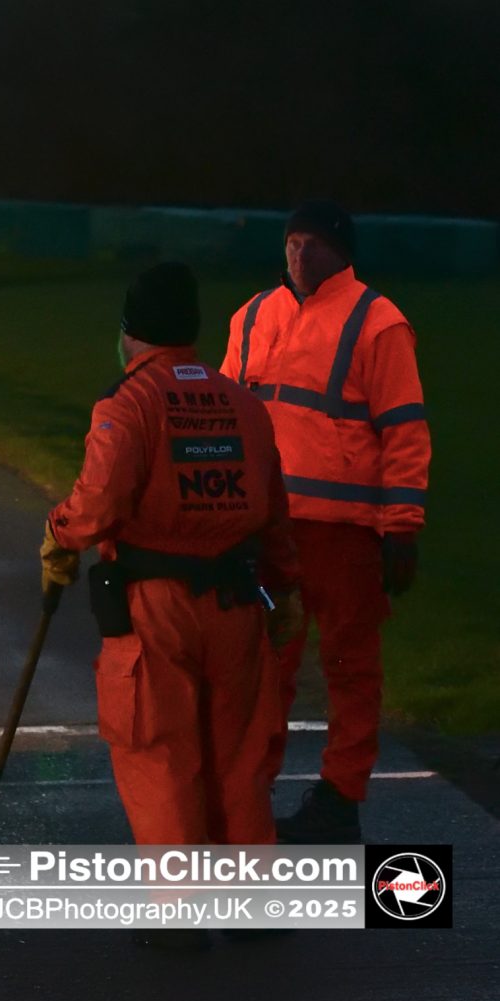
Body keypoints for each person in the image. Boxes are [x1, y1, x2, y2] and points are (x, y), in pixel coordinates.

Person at [41, 263, 303, 845]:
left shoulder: (128, 405)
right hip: (238, 604)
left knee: (158, 754)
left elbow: (98, 505)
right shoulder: (243, 405)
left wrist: (59, 535)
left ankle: (179, 913)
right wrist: (285, 589)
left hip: (153, 608)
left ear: (129, 331)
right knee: (238, 759)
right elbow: (275, 509)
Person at [221, 201, 431, 843]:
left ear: (342, 252)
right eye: (291, 242)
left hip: (344, 532)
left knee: (349, 665)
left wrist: (402, 525)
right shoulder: (253, 316)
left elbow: (403, 430)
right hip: (269, 529)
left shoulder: (379, 321)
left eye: (311, 244)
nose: (298, 254)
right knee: (265, 668)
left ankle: (341, 797)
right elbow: (228, 414)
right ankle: (252, 796)